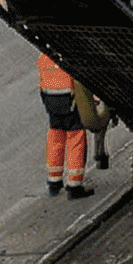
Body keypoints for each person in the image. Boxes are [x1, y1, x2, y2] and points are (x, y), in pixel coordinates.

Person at [38, 52, 91, 199]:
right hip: (70, 100)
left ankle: (54, 183)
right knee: (76, 139)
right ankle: (74, 187)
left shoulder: (44, 56)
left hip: (51, 100)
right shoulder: (70, 55)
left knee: (56, 138)